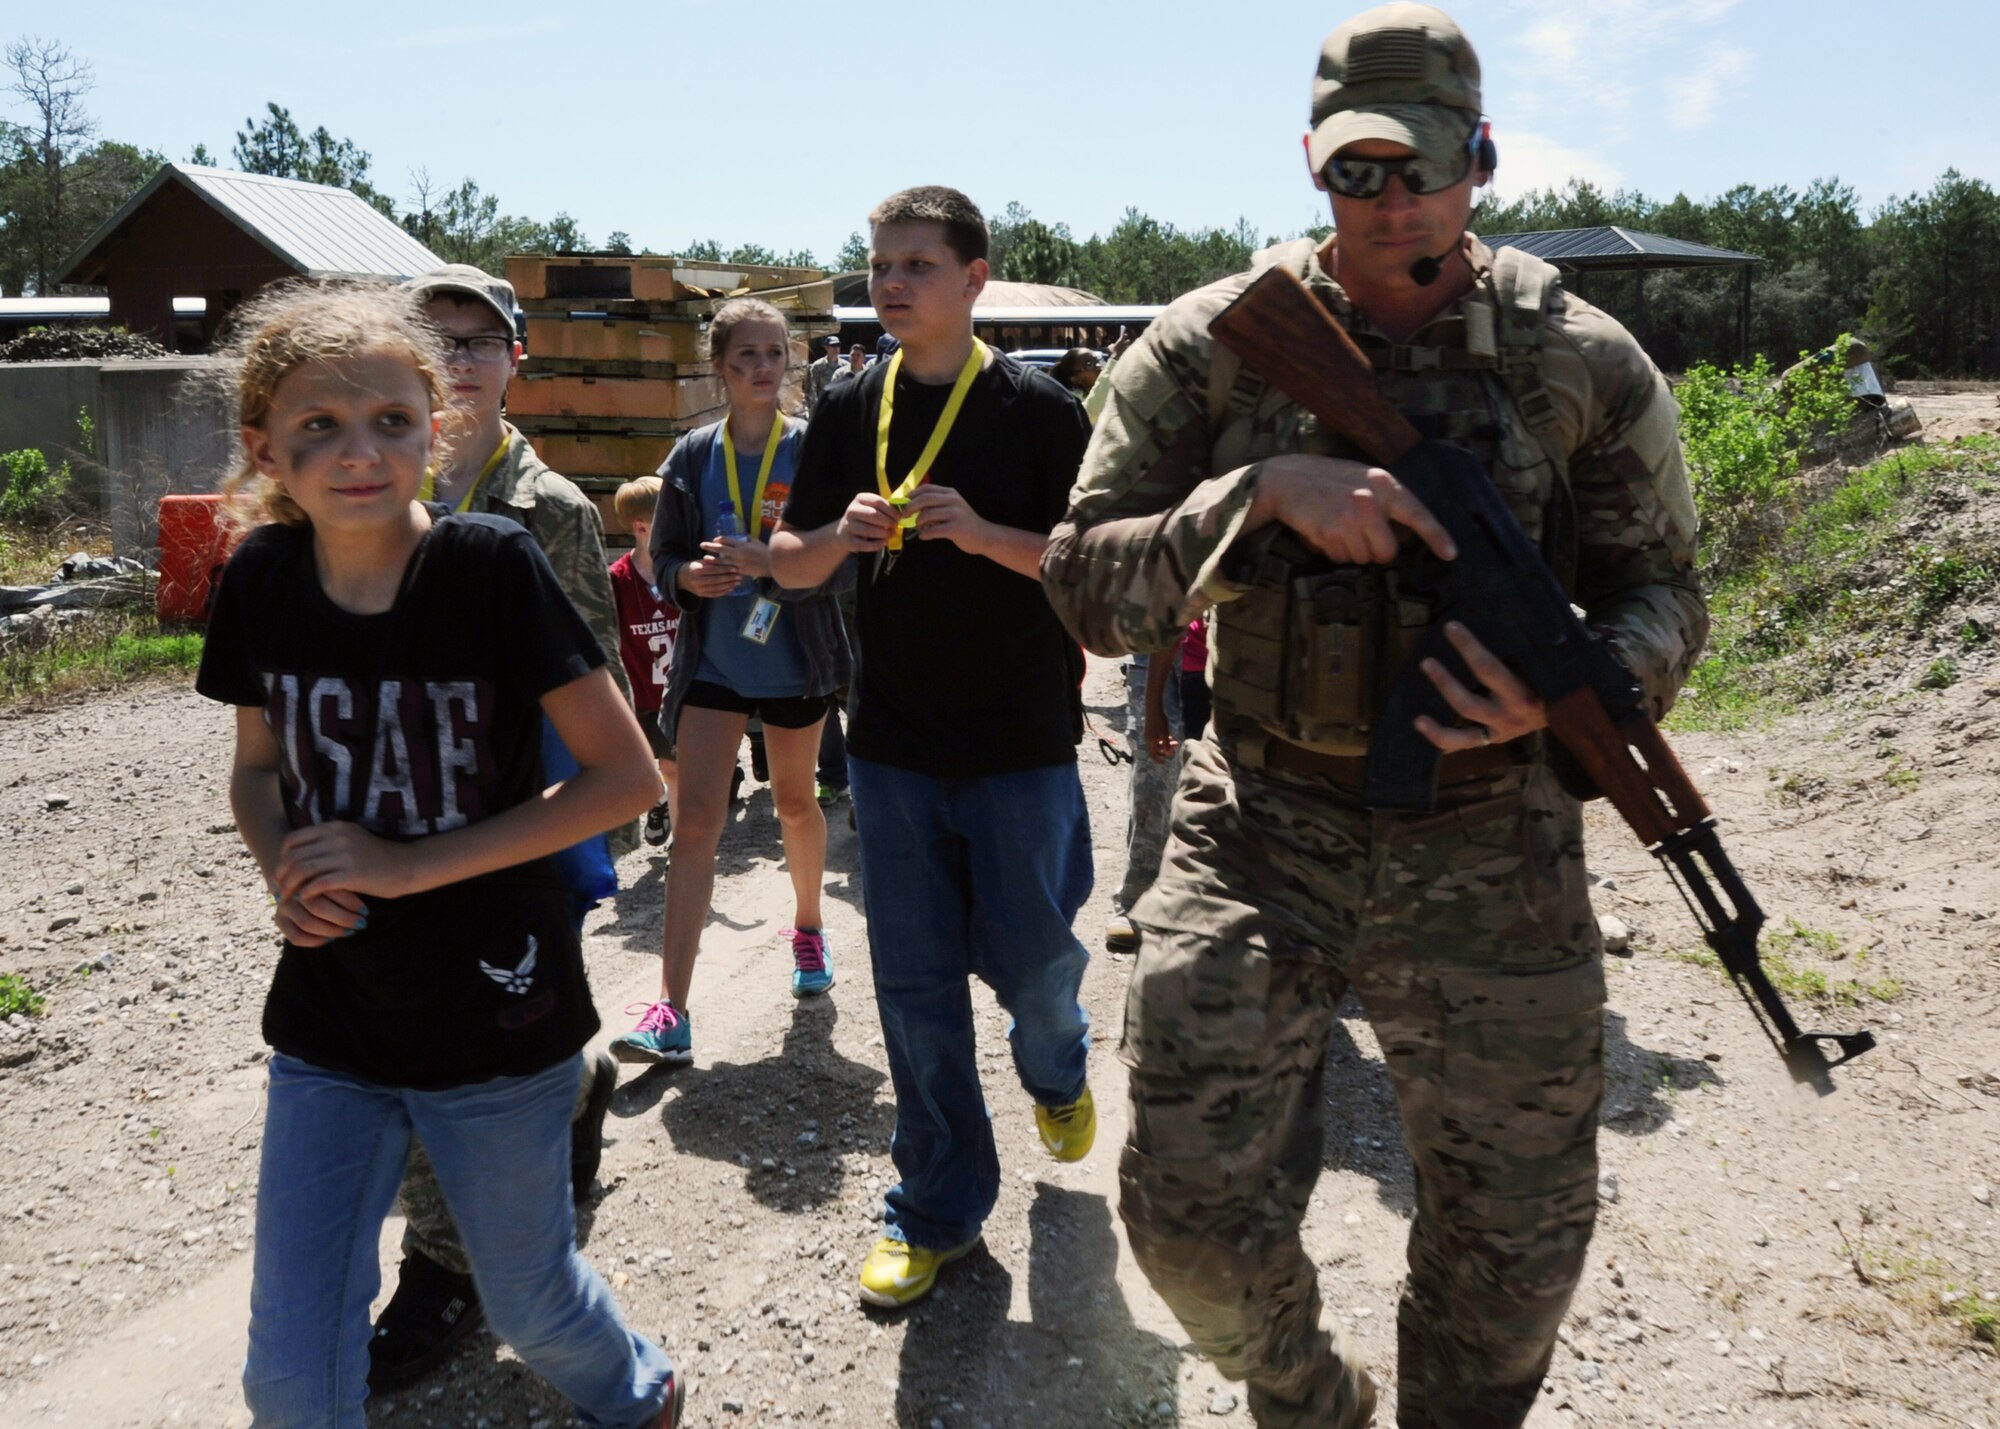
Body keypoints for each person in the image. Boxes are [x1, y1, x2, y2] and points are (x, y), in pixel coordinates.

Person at [1042, 6, 1708, 1425]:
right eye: (1358, 169)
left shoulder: (1579, 358)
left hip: (1493, 833)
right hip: (1260, 819)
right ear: (1311, 165)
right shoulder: (1217, 346)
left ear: (1484, 160)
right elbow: (1078, 583)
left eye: (1424, 164)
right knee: (1187, 1228)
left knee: (1517, 1255)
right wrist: (1255, 499)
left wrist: (1584, 675)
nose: (1390, 197)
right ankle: (1310, 1404)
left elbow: (1666, 590)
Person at [196, 279, 682, 1429]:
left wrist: (404, 866)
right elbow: (257, 772)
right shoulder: (261, 579)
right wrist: (286, 867)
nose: (359, 453)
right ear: (263, 444)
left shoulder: (490, 565)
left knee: (525, 1299)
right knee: (288, 1369)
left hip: (496, 1014)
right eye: (319, 425)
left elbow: (625, 780)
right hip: (331, 1014)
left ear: (436, 424)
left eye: (391, 422)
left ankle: (637, 1386)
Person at [769, 185, 1096, 1310]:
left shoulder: (1043, 412)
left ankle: (1056, 1067)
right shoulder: (847, 408)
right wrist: (830, 535)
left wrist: (982, 531)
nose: (890, 283)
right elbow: (792, 558)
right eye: (877, 264)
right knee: (912, 991)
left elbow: (1088, 566)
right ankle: (937, 1207)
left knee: (1042, 969)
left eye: (915, 263)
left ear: (974, 279)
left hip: (1022, 742)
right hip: (894, 744)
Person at [360, 263, 631, 1391]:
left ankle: (444, 1271)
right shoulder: (361, 489)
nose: (462, 355)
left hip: (511, 833)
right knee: (435, 1034)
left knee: (477, 1033)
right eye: (439, 338)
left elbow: (599, 688)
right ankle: (574, 1083)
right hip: (383, 814)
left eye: (482, 339)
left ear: (516, 361)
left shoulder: (549, 513)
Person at [610, 297, 851, 1068]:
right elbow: (666, 558)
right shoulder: (690, 455)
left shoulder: (812, 450)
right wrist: (690, 576)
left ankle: (808, 930)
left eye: (773, 354)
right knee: (696, 826)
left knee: (793, 801)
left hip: (795, 656)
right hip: (715, 661)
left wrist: (770, 565)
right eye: (744, 355)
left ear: (789, 362)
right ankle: (671, 1009)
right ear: (718, 365)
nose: (760, 368)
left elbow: (836, 556)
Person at [609, 476, 681, 847]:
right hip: (641, 696)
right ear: (642, 528)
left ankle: (682, 849)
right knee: (643, 771)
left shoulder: (682, 570)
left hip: (680, 694)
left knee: (674, 767)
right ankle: (660, 801)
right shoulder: (617, 581)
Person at [805, 334, 845, 413]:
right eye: (833, 345)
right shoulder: (818, 366)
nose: (836, 348)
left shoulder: (845, 366)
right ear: (826, 347)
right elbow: (811, 389)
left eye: (838, 345)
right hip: (823, 407)